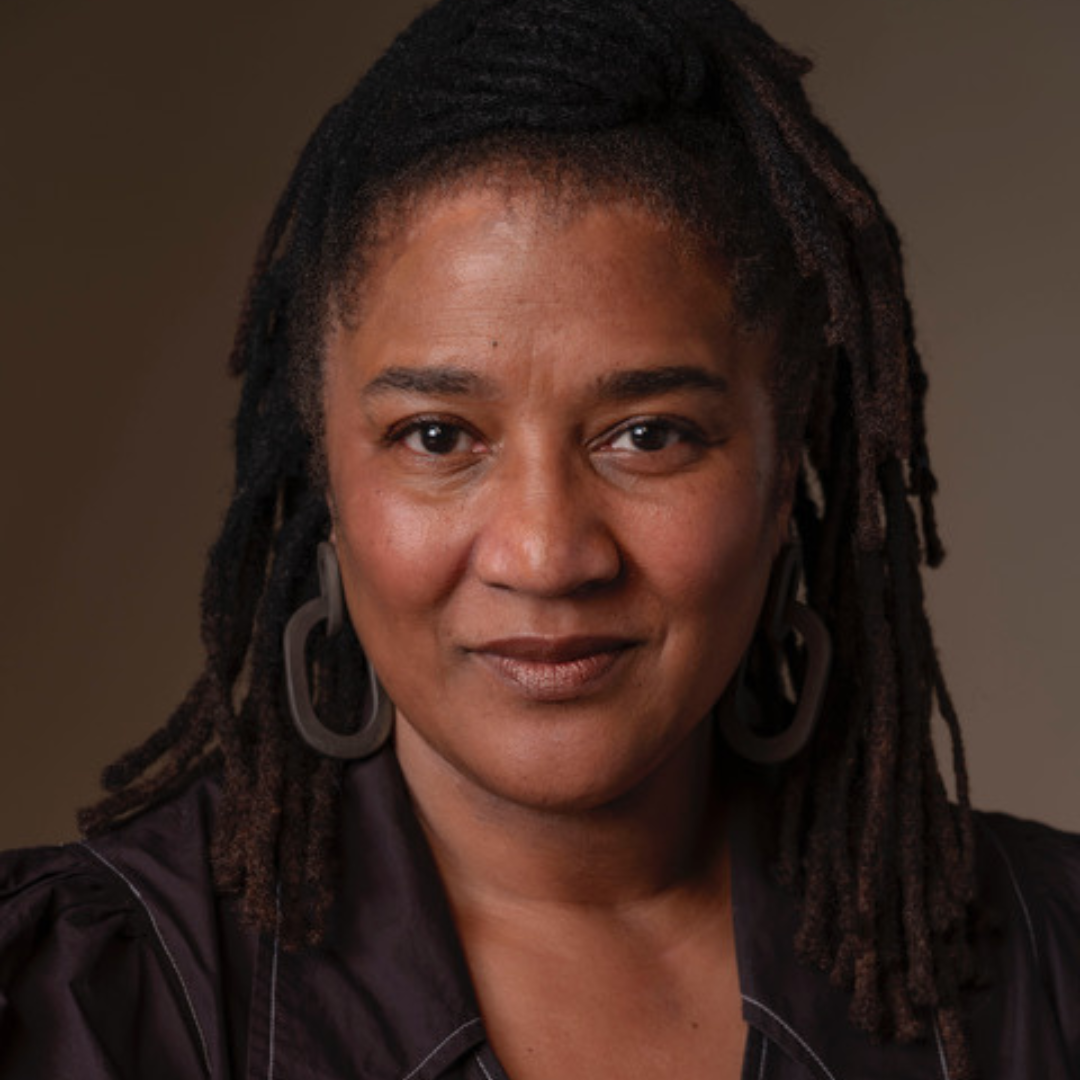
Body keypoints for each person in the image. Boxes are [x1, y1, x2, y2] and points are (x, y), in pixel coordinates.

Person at [1, 1, 1077, 1077]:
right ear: (324, 473)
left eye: (648, 435)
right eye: (437, 436)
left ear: (784, 463)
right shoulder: (90, 1002)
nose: (546, 555)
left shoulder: (1052, 964)